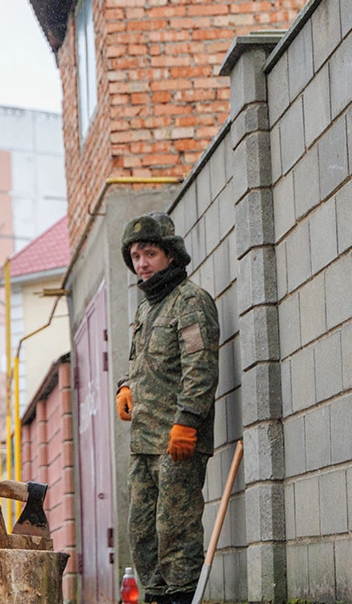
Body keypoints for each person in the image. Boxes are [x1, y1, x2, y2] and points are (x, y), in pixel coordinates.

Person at [115, 212, 220, 604]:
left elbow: (201, 367)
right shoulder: (147, 308)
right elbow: (137, 363)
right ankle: (156, 598)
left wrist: (188, 423)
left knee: (175, 531)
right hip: (144, 441)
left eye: (150, 253)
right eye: (136, 256)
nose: (142, 263)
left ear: (171, 256)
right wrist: (124, 388)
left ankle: (180, 598)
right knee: (142, 533)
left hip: (177, 440)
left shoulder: (190, 301)